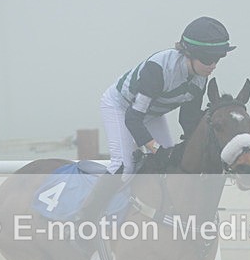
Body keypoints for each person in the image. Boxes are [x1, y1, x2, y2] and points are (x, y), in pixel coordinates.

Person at [78, 16, 236, 225]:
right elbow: (133, 118)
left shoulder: (200, 77)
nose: (213, 65)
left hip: (150, 112)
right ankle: (85, 219)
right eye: (208, 59)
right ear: (189, 54)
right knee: (123, 167)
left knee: (172, 166)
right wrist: (155, 148)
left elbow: (187, 121)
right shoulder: (158, 69)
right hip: (121, 107)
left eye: (218, 59)